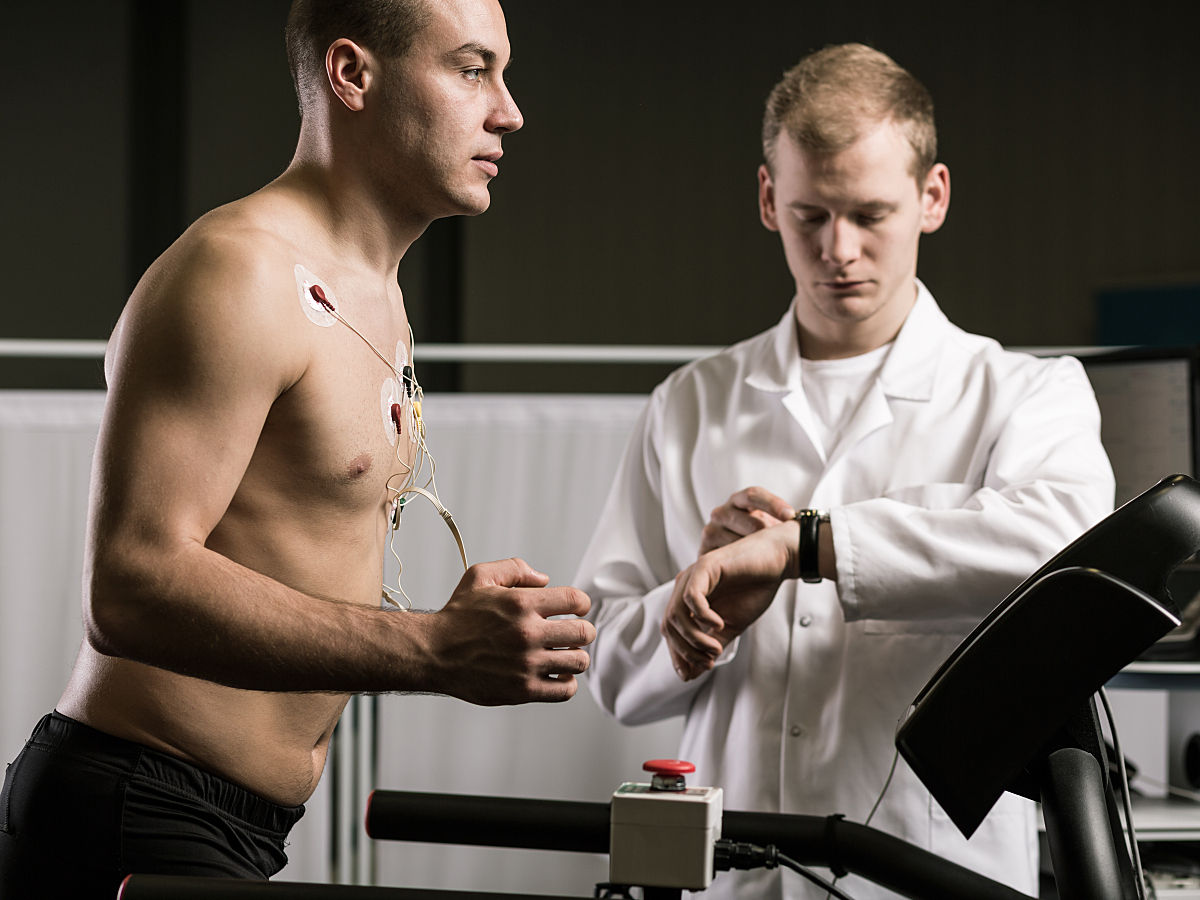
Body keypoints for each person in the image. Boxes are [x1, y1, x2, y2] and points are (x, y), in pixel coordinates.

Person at [0, 1, 596, 896]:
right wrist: (434, 648)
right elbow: (129, 585)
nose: (508, 111)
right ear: (352, 75)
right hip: (134, 806)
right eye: (472, 70)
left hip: (233, 821)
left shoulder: (376, 292)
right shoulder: (238, 273)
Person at [575, 43, 1113, 900]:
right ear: (767, 199)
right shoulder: (690, 405)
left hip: (932, 879)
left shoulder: (1025, 394)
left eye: (870, 214)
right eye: (810, 215)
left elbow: (1066, 554)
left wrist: (806, 546)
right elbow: (608, 673)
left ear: (933, 197)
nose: (839, 249)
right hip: (735, 877)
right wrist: (702, 618)